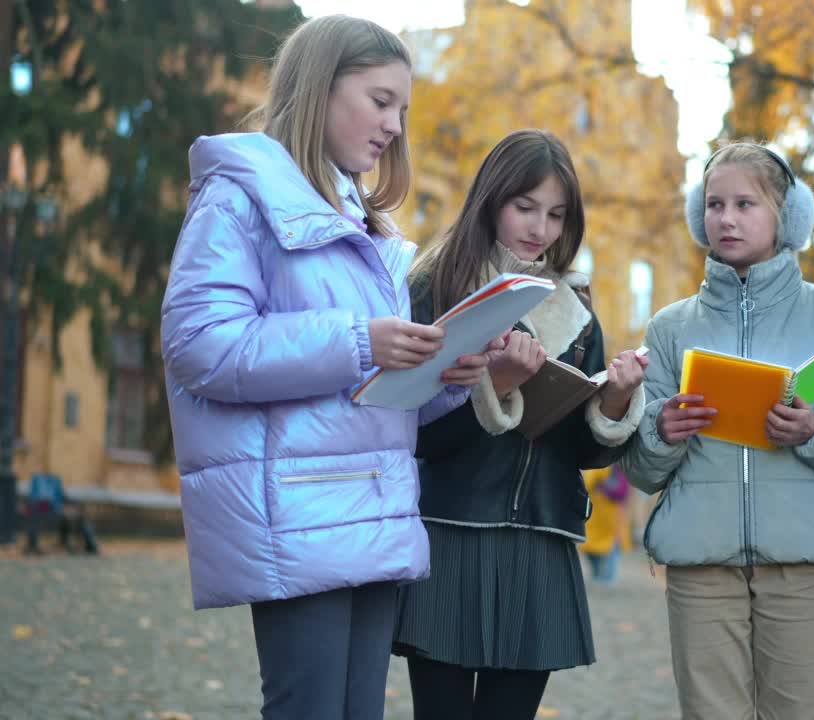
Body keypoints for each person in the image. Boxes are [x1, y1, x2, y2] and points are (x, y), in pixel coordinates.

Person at [160, 15, 491, 719]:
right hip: (297, 507)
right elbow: (201, 346)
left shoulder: (370, 229)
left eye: (403, 108)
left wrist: (447, 376)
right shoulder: (239, 197)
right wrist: (361, 340)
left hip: (372, 504)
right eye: (380, 100)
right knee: (307, 707)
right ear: (319, 88)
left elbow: (372, 394)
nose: (395, 126)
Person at [622, 141, 814, 720]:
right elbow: (640, 469)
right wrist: (661, 430)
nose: (726, 218)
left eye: (746, 203)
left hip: (803, 568)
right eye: (714, 204)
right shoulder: (670, 328)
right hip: (701, 570)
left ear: (787, 215)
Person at [392, 128, 648, 720]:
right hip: (451, 531)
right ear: (491, 200)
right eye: (524, 207)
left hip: (541, 539)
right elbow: (416, 436)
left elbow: (581, 449)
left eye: (556, 214)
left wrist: (616, 400)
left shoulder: (576, 312)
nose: (540, 228)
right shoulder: (435, 289)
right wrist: (498, 385)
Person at [581, 465, 632, 584]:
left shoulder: (618, 468)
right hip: (596, 522)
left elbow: (621, 491)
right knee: (595, 557)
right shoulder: (596, 468)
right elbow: (587, 485)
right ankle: (601, 579)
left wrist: (602, 485)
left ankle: (604, 580)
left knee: (608, 562)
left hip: (612, 524)